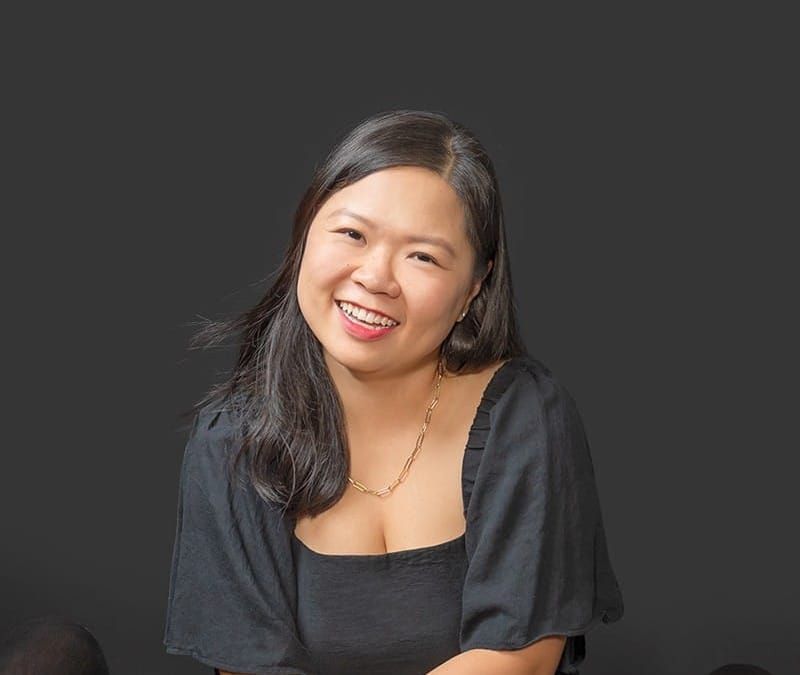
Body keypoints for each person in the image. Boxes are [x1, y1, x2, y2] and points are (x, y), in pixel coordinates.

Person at [162, 109, 625, 675]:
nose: (376, 278)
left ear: (473, 288)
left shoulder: (525, 417)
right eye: (352, 234)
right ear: (305, 233)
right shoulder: (233, 440)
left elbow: (516, 661)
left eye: (423, 257)